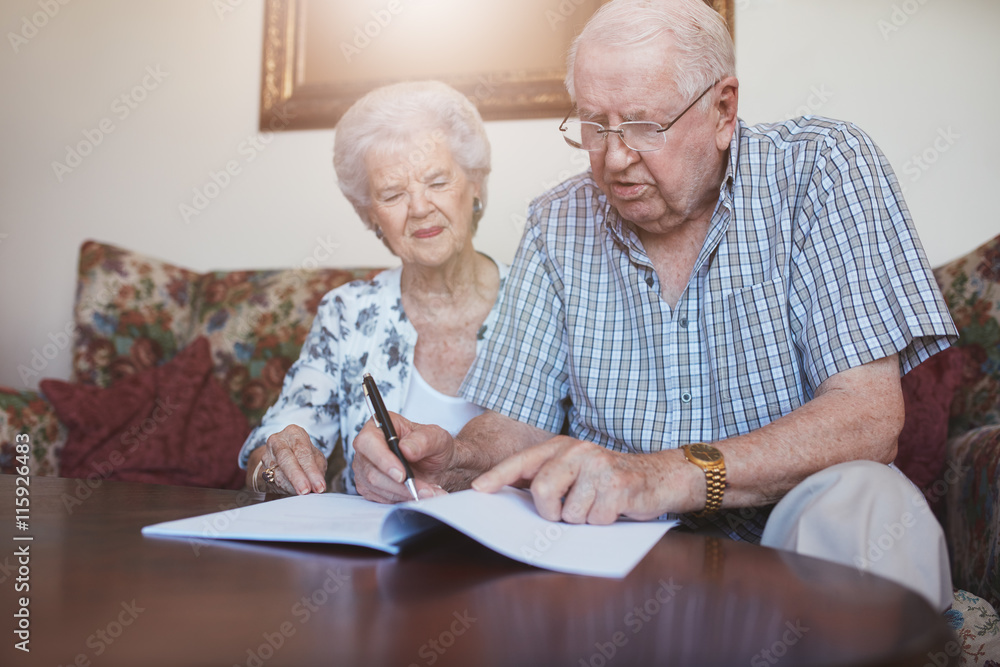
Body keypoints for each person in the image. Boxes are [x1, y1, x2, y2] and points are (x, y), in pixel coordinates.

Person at [353, 0, 960, 611]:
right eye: (594, 124)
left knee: (864, 497)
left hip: (790, 542)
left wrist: (667, 475)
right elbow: (514, 423)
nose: (614, 157)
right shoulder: (557, 221)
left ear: (723, 110)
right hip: (618, 556)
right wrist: (449, 457)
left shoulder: (821, 170)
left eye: (643, 124)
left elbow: (868, 420)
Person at [238, 80, 507, 497]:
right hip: (381, 551)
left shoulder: (540, 297)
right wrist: (277, 466)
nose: (419, 208)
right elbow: (270, 451)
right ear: (370, 216)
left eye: (437, 182)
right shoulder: (347, 312)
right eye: (393, 193)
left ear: (474, 185)